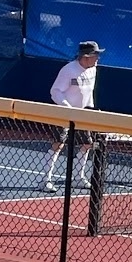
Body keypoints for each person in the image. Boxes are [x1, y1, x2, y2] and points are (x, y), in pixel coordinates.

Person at [42, 40, 102, 192]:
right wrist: (67, 109)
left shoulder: (93, 69)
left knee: (87, 144)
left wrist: (91, 110)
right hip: (64, 113)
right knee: (58, 145)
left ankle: (77, 178)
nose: (98, 59)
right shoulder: (68, 70)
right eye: (96, 55)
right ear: (86, 56)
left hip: (83, 114)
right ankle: (45, 180)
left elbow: (89, 92)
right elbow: (55, 91)